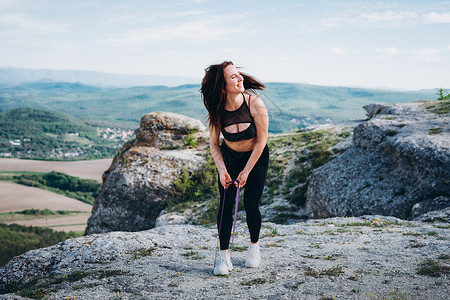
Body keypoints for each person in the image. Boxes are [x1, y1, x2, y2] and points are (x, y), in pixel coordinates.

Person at [200, 61, 269, 275]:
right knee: (226, 206)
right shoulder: (217, 111)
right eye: (233, 77)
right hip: (229, 158)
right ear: (223, 86)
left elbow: (261, 142)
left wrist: (247, 171)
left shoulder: (255, 104)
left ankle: (254, 248)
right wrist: (222, 170)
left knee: (250, 204)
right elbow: (213, 144)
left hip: (255, 158)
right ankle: (223, 256)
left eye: (239, 75)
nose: (240, 79)